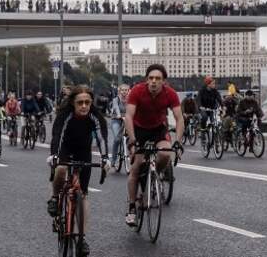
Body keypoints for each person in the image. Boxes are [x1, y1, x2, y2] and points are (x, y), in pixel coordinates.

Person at [47, 85, 110, 257]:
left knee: (83, 195)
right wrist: (54, 156)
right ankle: (54, 198)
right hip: (65, 147)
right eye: (80, 102)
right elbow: (57, 136)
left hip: (83, 150)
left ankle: (81, 238)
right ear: (73, 103)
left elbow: (101, 137)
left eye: (87, 103)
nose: (83, 106)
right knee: (61, 169)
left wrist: (105, 158)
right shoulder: (65, 115)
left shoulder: (95, 116)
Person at [124, 64, 183, 226]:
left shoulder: (170, 93)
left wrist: (177, 141)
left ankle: (153, 177)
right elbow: (128, 116)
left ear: (164, 81)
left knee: (165, 153)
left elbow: (179, 118)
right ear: (146, 80)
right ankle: (131, 207)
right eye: (151, 78)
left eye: (158, 79)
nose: (154, 82)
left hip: (158, 128)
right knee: (136, 167)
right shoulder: (137, 91)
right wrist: (133, 141)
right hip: (138, 130)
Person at [109, 84, 129, 165]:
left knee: (132, 139)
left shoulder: (131, 100)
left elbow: (133, 108)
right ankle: (113, 159)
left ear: (128, 91)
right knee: (117, 139)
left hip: (127, 120)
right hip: (116, 120)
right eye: (122, 90)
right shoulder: (116, 99)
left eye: (126, 90)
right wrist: (119, 115)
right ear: (119, 91)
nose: (124, 92)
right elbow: (116, 107)